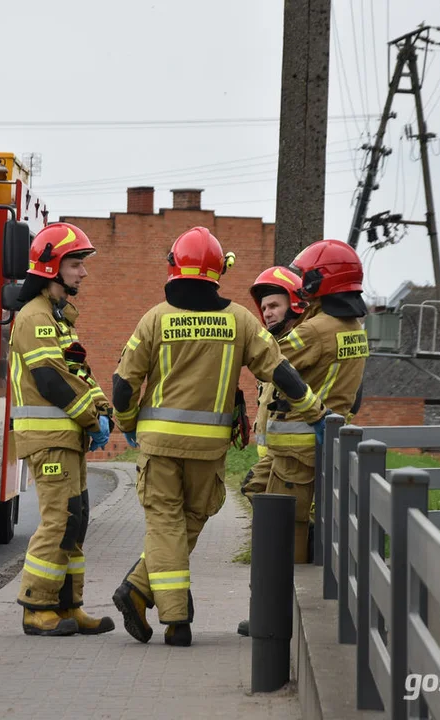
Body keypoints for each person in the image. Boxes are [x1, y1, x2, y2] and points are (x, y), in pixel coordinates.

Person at [109, 227, 328, 647]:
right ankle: (139, 592)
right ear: (218, 271)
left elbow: (123, 384)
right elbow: (280, 371)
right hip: (208, 449)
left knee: (164, 523)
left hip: (157, 445)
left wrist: (128, 422)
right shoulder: (240, 321)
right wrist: (315, 411)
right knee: (189, 519)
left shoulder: (155, 318)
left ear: (174, 266)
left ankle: (170, 616)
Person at [9, 222, 115, 637]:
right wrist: (93, 417)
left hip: (67, 439)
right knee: (59, 520)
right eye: (75, 263)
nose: (82, 273)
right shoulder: (35, 318)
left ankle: (69, 606)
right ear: (52, 266)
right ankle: (37, 607)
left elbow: (78, 373)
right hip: (49, 440)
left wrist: (104, 407)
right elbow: (51, 381)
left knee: (77, 519)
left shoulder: (59, 319)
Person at [262, 239, 369, 565]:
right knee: (317, 521)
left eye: (307, 276)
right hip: (329, 441)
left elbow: (270, 363)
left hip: (297, 447)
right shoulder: (354, 328)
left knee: (285, 527)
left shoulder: (316, 330)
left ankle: (279, 607)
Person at [240, 266, 310, 503]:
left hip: (292, 455)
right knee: (255, 494)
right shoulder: (275, 347)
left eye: (274, 306)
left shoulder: (302, 346)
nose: (267, 313)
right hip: (272, 455)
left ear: (294, 305)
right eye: (264, 308)